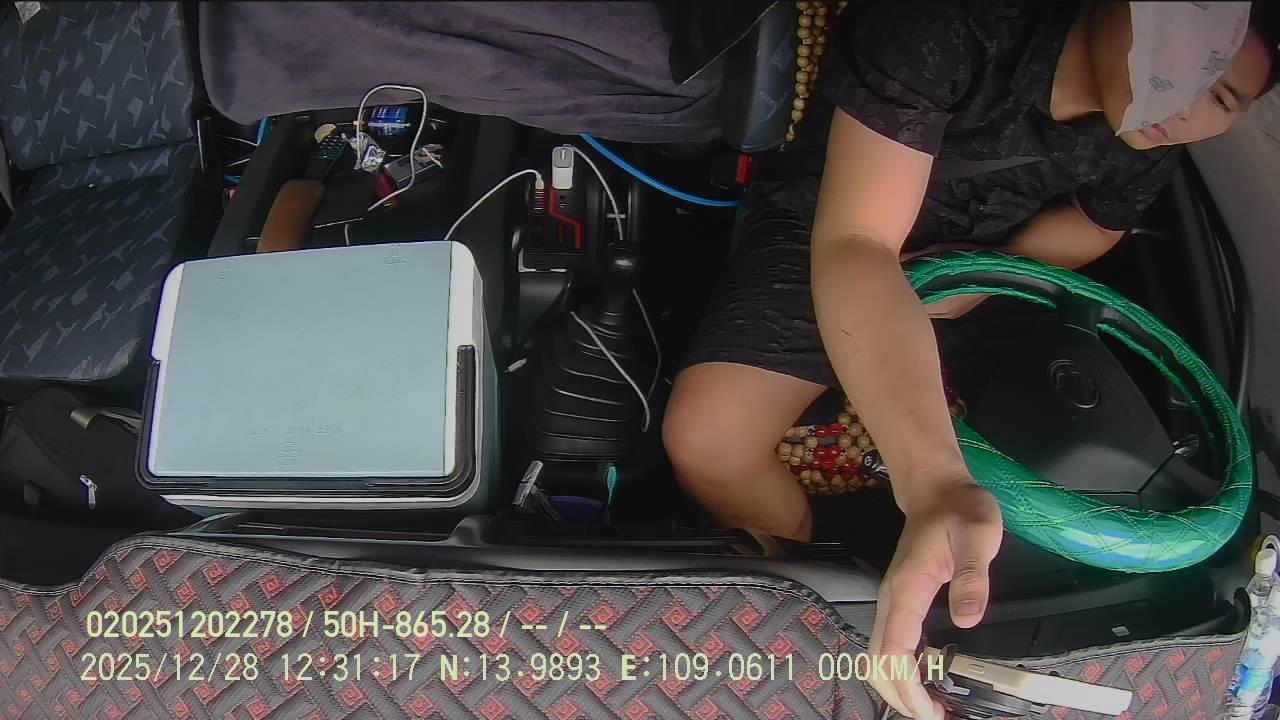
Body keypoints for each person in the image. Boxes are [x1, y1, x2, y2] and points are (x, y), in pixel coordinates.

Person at [663, 1, 1279, 718]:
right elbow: (859, 243)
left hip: (978, 267)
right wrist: (935, 484)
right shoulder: (951, 25)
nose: (1186, 103)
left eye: (1223, 98)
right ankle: (809, 606)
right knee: (710, 441)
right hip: (834, 223)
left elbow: (1096, 223)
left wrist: (985, 277)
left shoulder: (1149, 141)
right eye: (1191, 58)